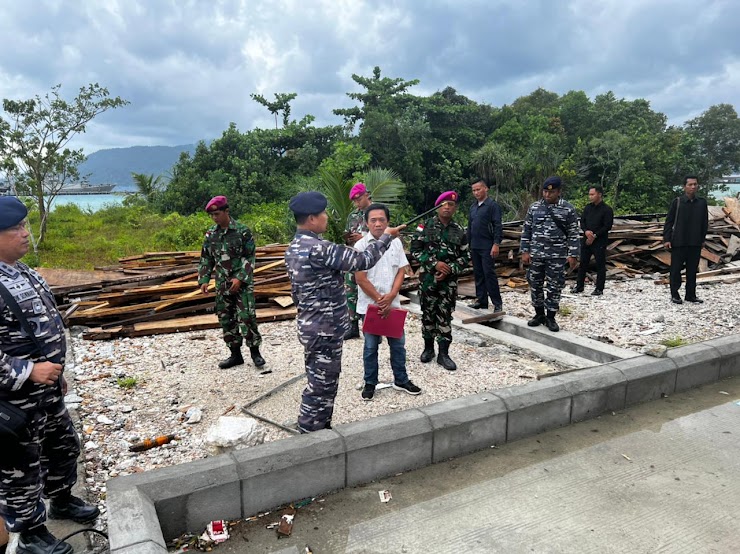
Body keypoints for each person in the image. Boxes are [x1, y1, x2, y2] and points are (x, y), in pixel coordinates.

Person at [0, 197, 99, 554]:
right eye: (16, 229)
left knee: (62, 446)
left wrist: (55, 374)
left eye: (24, 226)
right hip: (15, 400)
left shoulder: (21, 271)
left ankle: (62, 499)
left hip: (47, 392)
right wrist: (28, 371)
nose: (25, 234)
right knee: (21, 470)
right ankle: (30, 535)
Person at [285, 192, 405, 432]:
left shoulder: (294, 247)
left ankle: (319, 427)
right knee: (322, 385)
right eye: (322, 214)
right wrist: (386, 238)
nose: (326, 217)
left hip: (311, 325)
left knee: (319, 379)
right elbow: (363, 261)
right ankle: (310, 431)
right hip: (325, 329)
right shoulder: (320, 248)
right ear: (311, 219)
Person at [354, 203, 421, 401]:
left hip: (392, 304)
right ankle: (370, 382)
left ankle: (401, 379)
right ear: (366, 223)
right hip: (370, 306)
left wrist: (392, 295)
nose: (377, 224)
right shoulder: (360, 246)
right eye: (373, 220)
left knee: (398, 344)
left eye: (381, 220)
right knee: (370, 347)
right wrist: (378, 299)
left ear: (388, 222)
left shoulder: (396, 243)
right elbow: (360, 278)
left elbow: (401, 269)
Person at [198, 195, 265, 369]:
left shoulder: (242, 231)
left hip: (241, 283)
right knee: (226, 319)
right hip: (222, 283)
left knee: (246, 317)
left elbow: (250, 257)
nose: (214, 218)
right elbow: (206, 258)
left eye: (217, 214)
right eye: (212, 215)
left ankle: (255, 353)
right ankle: (235, 355)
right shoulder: (211, 234)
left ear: (226, 211)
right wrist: (204, 279)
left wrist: (240, 278)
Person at [410, 191, 470, 371]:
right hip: (428, 280)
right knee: (428, 315)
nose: (447, 207)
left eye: (451, 205)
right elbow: (415, 250)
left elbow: (465, 257)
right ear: (438, 207)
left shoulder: (459, 230)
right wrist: (434, 264)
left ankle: (444, 354)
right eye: (443, 204)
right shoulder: (425, 227)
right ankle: (428, 349)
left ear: (455, 208)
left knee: (444, 317)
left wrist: (449, 269)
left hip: (448, 284)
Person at [520, 176, 580, 332]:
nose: (547, 195)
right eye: (545, 192)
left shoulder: (567, 209)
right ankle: (539, 314)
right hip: (536, 254)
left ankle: (551, 316)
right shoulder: (534, 208)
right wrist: (525, 250)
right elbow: (527, 230)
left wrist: (573, 254)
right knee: (535, 284)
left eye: (551, 192)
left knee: (555, 286)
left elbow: (574, 233)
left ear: (559, 192)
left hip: (557, 255)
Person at [663, 176, 709, 304]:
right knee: (675, 269)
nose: (693, 187)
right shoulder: (677, 202)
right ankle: (675, 294)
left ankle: (691, 294)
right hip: (679, 241)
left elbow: (704, 222)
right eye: (690, 184)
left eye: (695, 184)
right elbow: (669, 221)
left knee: (692, 270)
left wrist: (702, 238)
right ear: (684, 187)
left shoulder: (702, 202)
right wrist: (667, 239)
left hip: (695, 242)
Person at [467, 177, 503, 311]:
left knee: (489, 274)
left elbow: (497, 226)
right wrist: (468, 244)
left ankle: (497, 303)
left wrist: (496, 243)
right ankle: (481, 301)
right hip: (475, 245)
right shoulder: (473, 207)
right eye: (474, 190)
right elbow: (470, 227)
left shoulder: (492, 206)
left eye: (478, 189)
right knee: (478, 274)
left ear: (486, 189)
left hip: (487, 246)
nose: (476, 193)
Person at [343, 182, 372, 340]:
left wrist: (364, 238)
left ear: (366, 195)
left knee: (370, 291)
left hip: (371, 259)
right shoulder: (353, 216)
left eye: (358, 199)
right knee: (351, 291)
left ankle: (372, 327)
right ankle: (353, 326)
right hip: (353, 258)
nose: (357, 202)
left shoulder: (377, 213)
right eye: (354, 200)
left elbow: (383, 234)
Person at [572, 185, 614, 296]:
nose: (590, 197)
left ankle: (599, 288)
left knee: (600, 265)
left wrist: (595, 235)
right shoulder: (587, 208)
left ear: (599, 194)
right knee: (583, 264)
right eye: (589, 194)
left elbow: (607, 226)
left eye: (592, 194)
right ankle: (579, 286)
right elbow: (582, 222)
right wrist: (586, 231)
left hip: (599, 240)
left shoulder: (607, 209)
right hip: (586, 239)